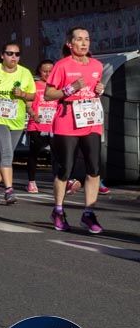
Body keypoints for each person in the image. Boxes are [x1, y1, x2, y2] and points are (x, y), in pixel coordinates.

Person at [44, 28, 106, 233]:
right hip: (67, 121)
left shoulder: (97, 65)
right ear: (70, 44)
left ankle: (89, 213)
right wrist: (70, 89)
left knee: (94, 169)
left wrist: (100, 89)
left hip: (91, 121)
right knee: (65, 169)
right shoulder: (62, 65)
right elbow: (48, 94)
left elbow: (97, 86)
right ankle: (58, 210)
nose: (84, 43)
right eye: (79, 39)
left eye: (87, 39)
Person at [0, 42, 35, 205]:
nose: (13, 57)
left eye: (17, 54)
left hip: (16, 119)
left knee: (4, 155)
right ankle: (9, 190)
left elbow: (33, 96)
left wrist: (23, 94)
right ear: (2, 55)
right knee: (7, 153)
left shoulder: (25, 73)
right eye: (10, 54)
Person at [25, 60, 57, 193]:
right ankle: (31, 182)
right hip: (37, 125)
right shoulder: (34, 85)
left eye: (50, 71)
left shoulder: (58, 86)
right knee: (34, 154)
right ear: (39, 71)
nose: (48, 74)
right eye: (45, 71)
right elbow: (28, 103)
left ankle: (60, 181)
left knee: (58, 155)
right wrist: (33, 114)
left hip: (54, 126)